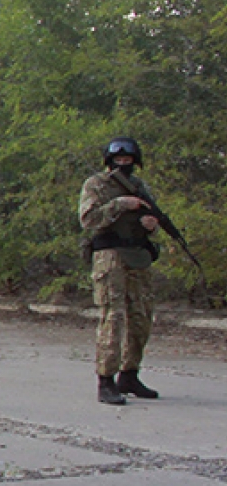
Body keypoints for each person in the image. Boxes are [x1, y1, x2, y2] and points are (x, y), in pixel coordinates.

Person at [79, 137, 162, 406]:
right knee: (112, 317)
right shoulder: (96, 185)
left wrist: (150, 225)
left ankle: (130, 374)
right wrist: (120, 205)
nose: (123, 165)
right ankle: (106, 380)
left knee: (141, 317)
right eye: (118, 161)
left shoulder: (140, 187)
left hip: (137, 256)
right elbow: (88, 220)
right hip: (110, 257)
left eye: (128, 161)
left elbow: (149, 221)